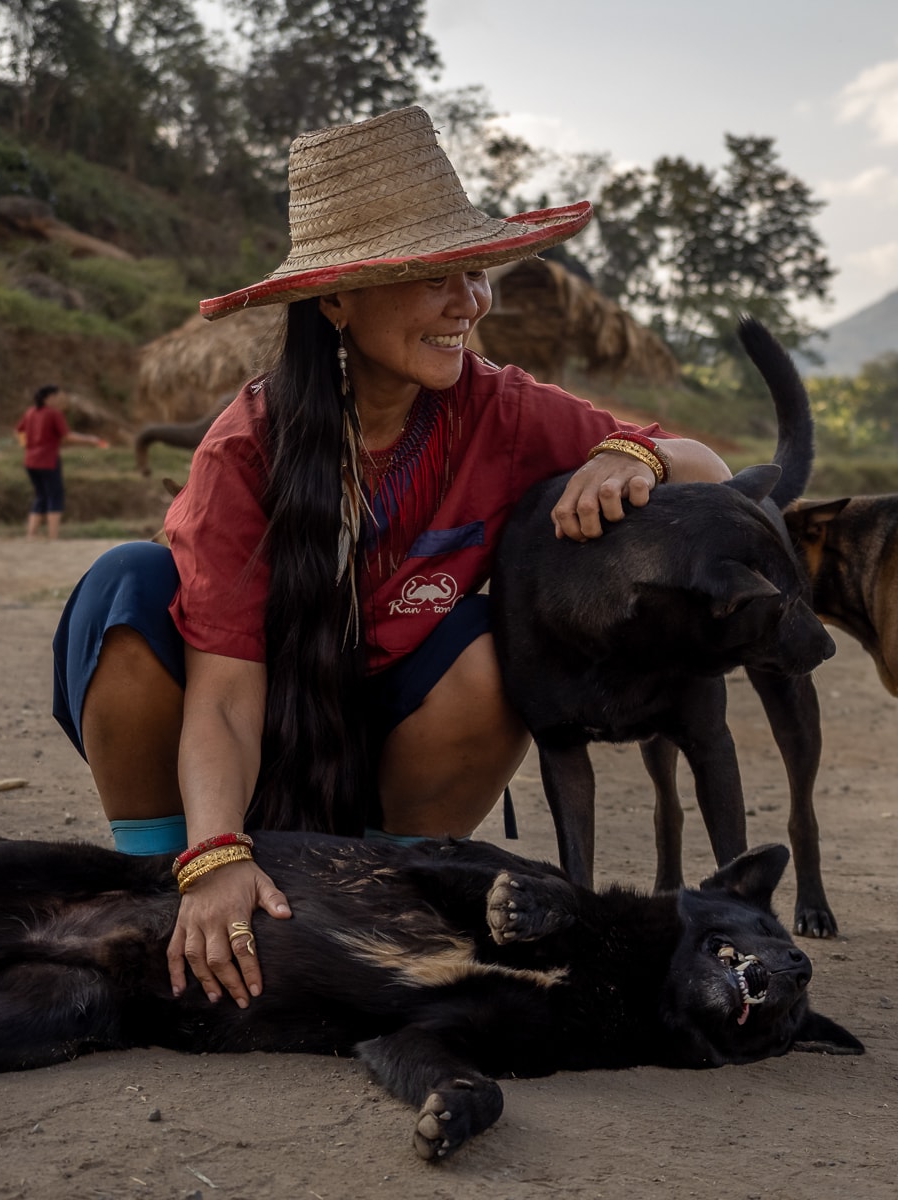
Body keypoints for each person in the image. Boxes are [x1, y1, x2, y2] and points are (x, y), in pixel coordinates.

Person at [50, 106, 732, 1010]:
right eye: (429, 277)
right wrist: (215, 855)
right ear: (336, 300)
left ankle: (383, 882)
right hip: (241, 744)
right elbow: (224, 695)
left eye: (474, 273)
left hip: (385, 748)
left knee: (494, 641)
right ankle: (162, 876)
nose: (468, 303)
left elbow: (709, 472)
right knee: (124, 586)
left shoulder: (499, 409)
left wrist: (634, 457)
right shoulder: (247, 448)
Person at [15, 384, 106, 540]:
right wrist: (91, 440)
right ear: (50, 398)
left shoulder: (30, 412)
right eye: (58, 397)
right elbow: (67, 436)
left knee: (41, 495)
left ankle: (31, 534)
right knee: (55, 495)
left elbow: (19, 431)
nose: (61, 400)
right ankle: (53, 535)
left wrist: (27, 445)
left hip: (30, 461)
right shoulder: (53, 414)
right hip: (48, 461)